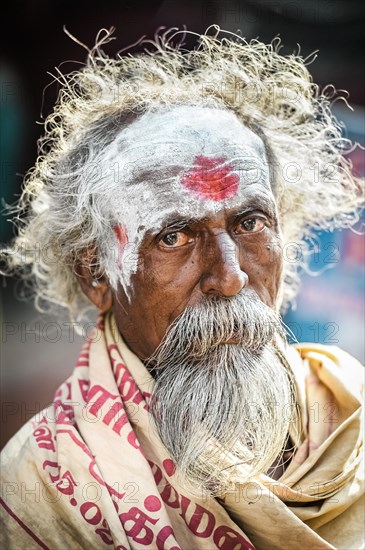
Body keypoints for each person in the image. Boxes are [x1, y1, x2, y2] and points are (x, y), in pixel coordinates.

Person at [0, 26, 363, 550]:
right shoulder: (42, 488)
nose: (231, 276)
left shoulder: (351, 412)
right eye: (173, 236)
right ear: (96, 273)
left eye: (251, 223)